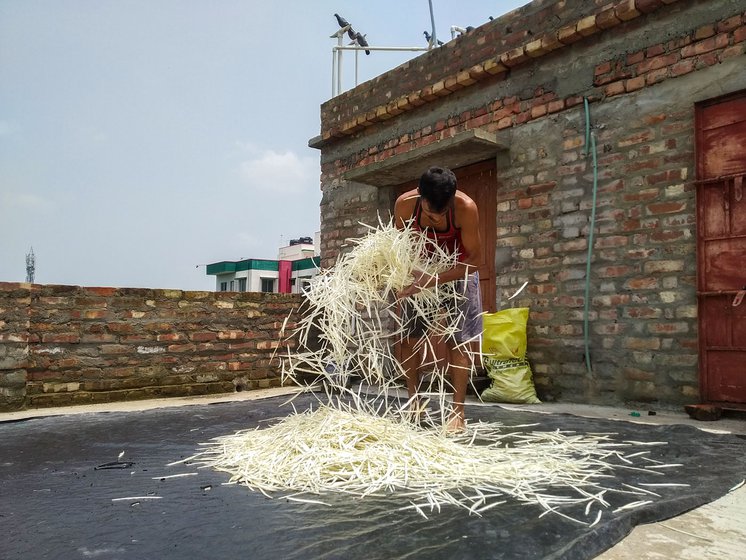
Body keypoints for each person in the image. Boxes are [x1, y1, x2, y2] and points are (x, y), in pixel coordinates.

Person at [393, 166, 483, 432]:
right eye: (430, 212)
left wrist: (433, 280)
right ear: (419, 196)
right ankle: (414, 402)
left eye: (441, 214)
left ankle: (458, 413)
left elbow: (476, 260)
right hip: (419, 271)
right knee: (407, 338)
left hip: (457, 272)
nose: (434, 218)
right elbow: (400, 250)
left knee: (459, 341)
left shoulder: (466, 207)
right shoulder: (405, 206)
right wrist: (405, 280)